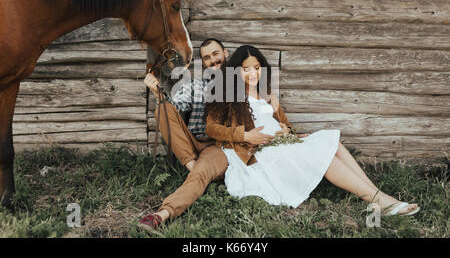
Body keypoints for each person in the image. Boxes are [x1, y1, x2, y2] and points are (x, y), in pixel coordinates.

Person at [205, 45, 420, 216]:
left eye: (257, 68)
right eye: (246, 69)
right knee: (325, 157)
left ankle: (378, 194)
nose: (253, 73)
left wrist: (285, 130)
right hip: (261, 154)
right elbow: (211, 128)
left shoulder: (268, 95)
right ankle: (378, 200)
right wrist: (244, 135)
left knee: (332, 142)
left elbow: (285, 125)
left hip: (280, 144)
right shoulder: (230, 97)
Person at [138, 38, 231, 231]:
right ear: (203, 63)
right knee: (162, 109)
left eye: (216, 54)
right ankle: (194, 167)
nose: (213, 60)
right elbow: (175, 106)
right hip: (190, 142)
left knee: (201, 172)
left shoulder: (239, 86)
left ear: (225, 54)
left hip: (216, 148)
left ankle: (161, 215)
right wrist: (158, 94)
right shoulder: (196, 85)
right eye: (207, 58)